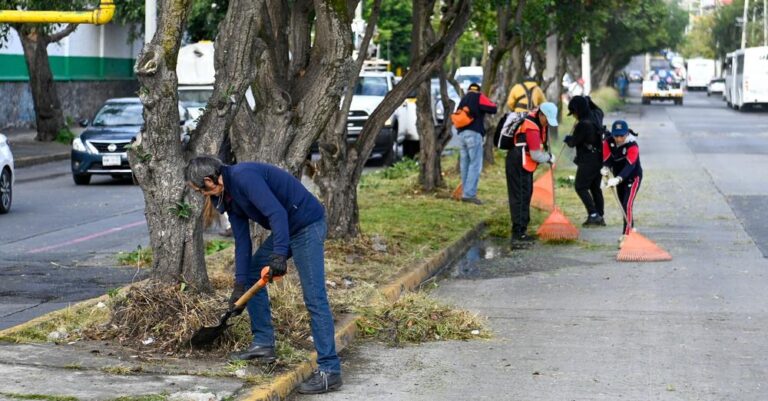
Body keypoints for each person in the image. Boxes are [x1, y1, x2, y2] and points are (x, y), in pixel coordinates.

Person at [185, 156, 342, 395]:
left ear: (209, 180)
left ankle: (330, 371)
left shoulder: (243, 177)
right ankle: (263, 343)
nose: (202, 195)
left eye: (200, 190)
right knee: (250, 272)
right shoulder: (225, 196)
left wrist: (278, 255)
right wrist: (239, 287)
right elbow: (242, 241)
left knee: (314, 297)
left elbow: (277, 213)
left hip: (307, 225)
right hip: (288, 227)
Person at [506, 102, 558, 242]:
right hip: (518, 162)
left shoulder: (537, 120)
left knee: (525, 194)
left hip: (523, 162)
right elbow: (536, 155)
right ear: (541, 115)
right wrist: (549, 158)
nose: (547, 124)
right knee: (521, 196)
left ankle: (522, 229)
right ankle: (519, 232)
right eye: (546, 120)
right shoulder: (532, 128)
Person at [564, 96, 605, 227]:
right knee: (595, 188)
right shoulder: (596, 116)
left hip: (588, 160)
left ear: (579, 110)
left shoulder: (583, 124)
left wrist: (567, 138)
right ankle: (599, 215)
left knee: (580, 187)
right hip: (599, 158)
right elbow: (599, 109)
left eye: (574, 112)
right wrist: (589, 101)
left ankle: (593, 214)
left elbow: (573, 142)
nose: (574, 116)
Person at [455, 82, 498, 205]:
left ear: (469, 90)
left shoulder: (463, 99)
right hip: (474, 134)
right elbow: (493, 108)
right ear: (478, 90)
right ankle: (469, 195)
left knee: (465, 164)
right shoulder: (479, 96)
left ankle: (465, 192)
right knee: (475, 164)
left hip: (462, 135)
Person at [602, 120, 643, 246]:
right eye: (616, 136)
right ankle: (629, 231)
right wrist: (605, 169)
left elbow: (630, 166)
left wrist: (618, 178)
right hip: (618, 180)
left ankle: (627, 236)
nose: (618, 139)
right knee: (623, 207)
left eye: (621, 136)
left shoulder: (632, 145)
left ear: (626, 133)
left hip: (633, 177)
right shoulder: (608, 142)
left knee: (627, 204)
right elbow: (607, 159)